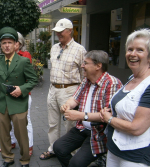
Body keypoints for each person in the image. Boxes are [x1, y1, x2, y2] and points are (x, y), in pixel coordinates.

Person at [0, 27, 38, 167]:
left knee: (21, 134)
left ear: (15, 44)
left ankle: (25, 159)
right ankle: (8, 158)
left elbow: (33, 80)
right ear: (1, 45)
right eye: (4, 43)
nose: (7, 45)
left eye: (9, 42)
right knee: (4, 133)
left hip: (18, 103)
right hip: (2, 103)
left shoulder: (23, 61)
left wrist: (21, 89)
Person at [53, 50, 122, 167]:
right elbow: (75, 99)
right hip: (82, 127)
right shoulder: (87, 80)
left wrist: (81, 115)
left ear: (98, 66)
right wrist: (67, 106)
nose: (82, 66)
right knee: (58, 147)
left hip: (99, 133)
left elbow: (107, 116)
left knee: (76, 163)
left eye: (85, 63)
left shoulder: (112, 83)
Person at [100, 29, 150, 167]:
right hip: (115, 149)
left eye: (139, 50)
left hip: (134, 156)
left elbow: (137, 128)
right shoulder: (131, 78)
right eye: (130, 49)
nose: (132, 54)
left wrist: (109, 119)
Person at [40, 18, 87, 160]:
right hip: (52, 89)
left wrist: (79, 95)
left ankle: (71, 152)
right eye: (57, 32)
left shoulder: (80, 50)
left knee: (70, 124)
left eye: (61, 31)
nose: (58, 34)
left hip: (69, 91)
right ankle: (53, 148)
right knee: (52, 123)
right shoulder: (54, 48)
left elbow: (84, 75)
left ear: (70, 31)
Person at [0, 32, 34, 156]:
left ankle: (29, 145)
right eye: (6, 42)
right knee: (8, 119)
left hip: (22, 94)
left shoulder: (25, 56)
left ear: (18, 44)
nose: (8, 45)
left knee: (25, 120)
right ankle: (11, 142)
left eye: (12, 42)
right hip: (7, 95)